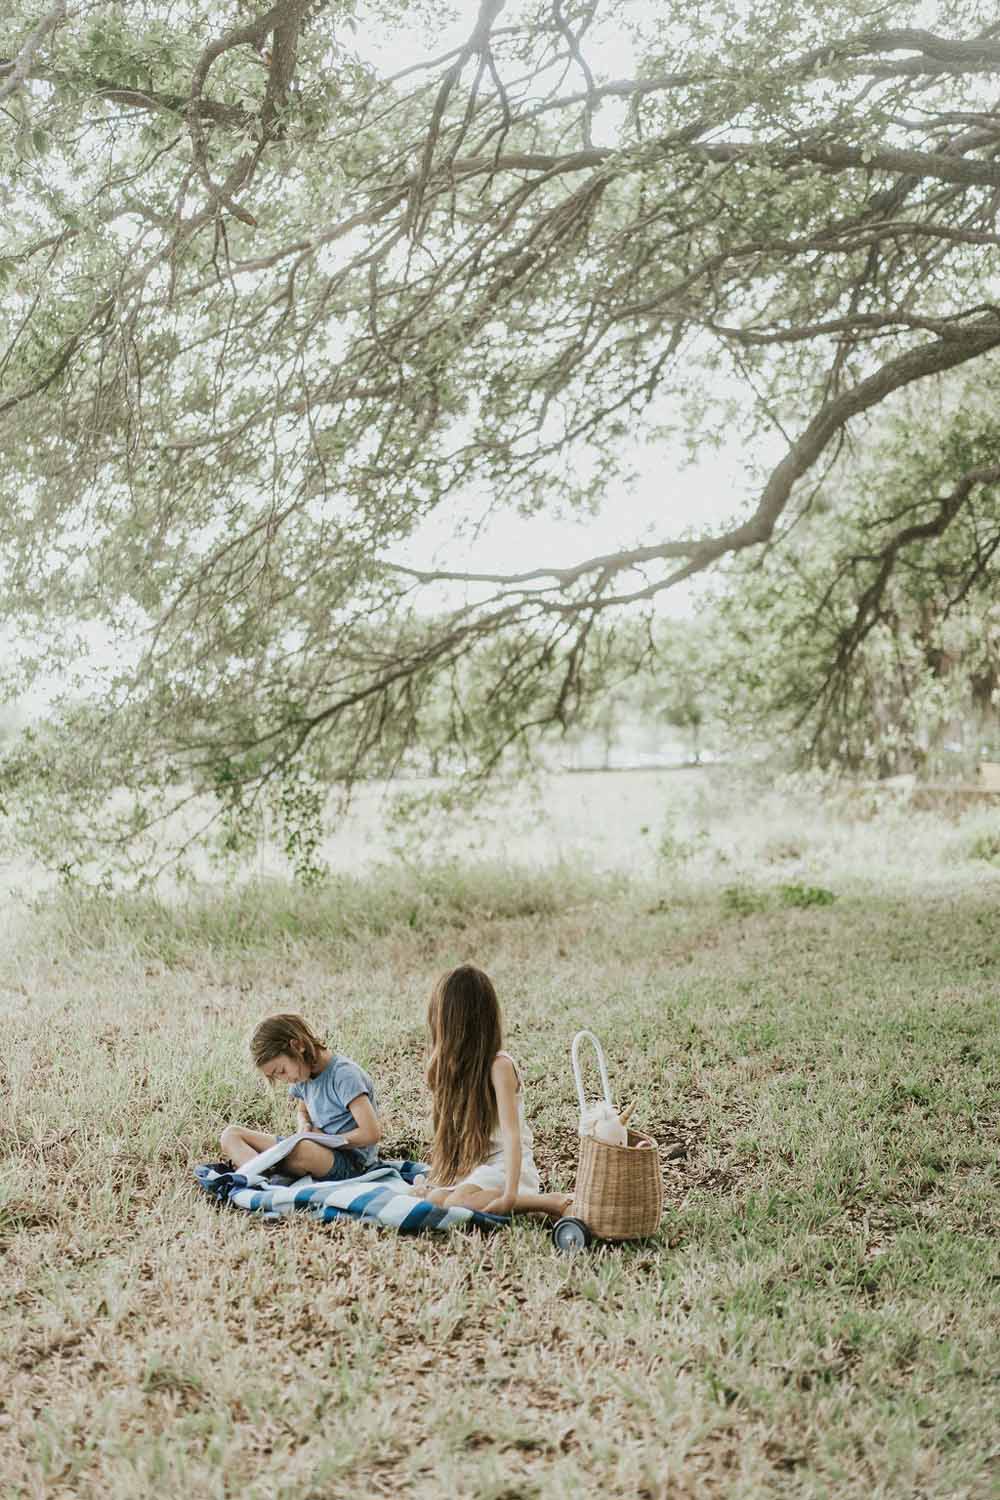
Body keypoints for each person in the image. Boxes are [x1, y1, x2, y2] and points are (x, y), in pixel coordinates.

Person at [414, 964, 572, 1218]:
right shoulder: (452, 1068)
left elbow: (512, 1137)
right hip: (478, 1171)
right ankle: (491, 1197)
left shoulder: (500, 1066)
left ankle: (543, 1202)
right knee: (435, 1198)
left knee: (459, 1202)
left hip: (508, 1171)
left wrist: (510, 1195)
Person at [220, 1014, 381, 1181]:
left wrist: (326, 1140)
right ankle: (264, 1176)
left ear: (297, 1045)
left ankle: (262, 1172)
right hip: (311, 1147)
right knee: (231, 1135)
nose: (284, 1079)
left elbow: (371, 1133)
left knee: (302, 1151)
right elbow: (303, 1111)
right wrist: (304, 1125)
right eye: (276, 1076)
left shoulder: (344, 1075)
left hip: (352, 1162)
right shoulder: (304, 1075)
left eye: (282, 1071)